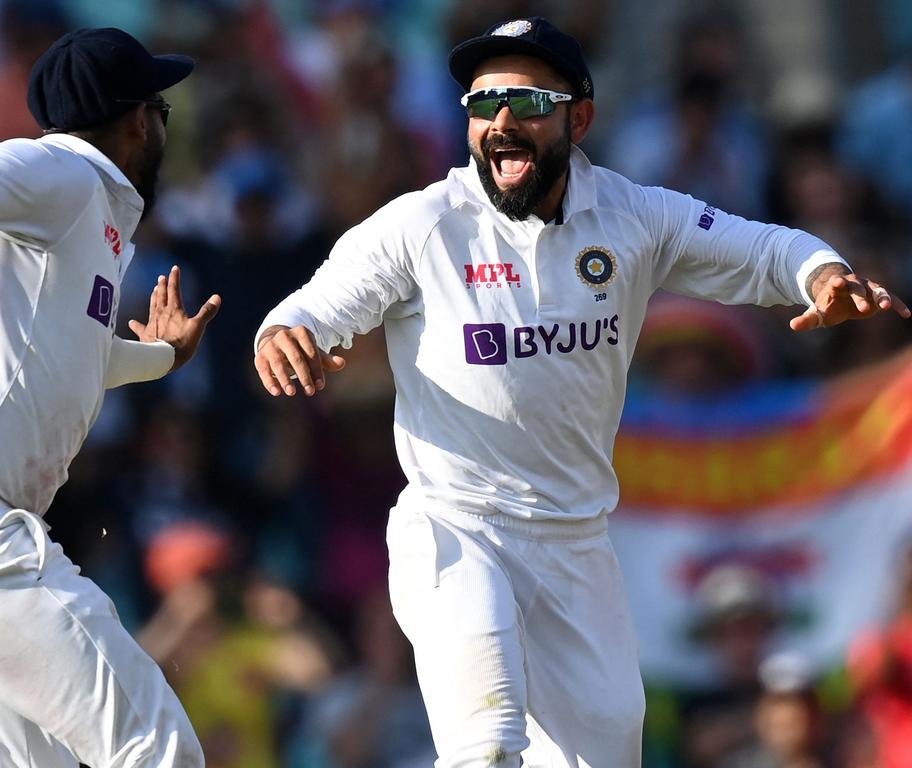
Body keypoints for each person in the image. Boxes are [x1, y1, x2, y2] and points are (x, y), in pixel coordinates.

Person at [253, 16, 909, 768]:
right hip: (459, 527)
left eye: (527, 105)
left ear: (579, 117)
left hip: (577, 545)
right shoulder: (424, 224)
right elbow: (313, 305)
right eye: (481, 103)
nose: (500, 123)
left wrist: (820, 273)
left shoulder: (632, 216)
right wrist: (284, 335)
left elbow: (763, 245)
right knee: (486, 748)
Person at [0, 27, 220, 767]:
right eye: (161, 108)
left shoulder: (81, 211)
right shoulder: (65, 175)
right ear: (140, 117)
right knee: (156, 746)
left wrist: (164, 357)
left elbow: (72, 362)